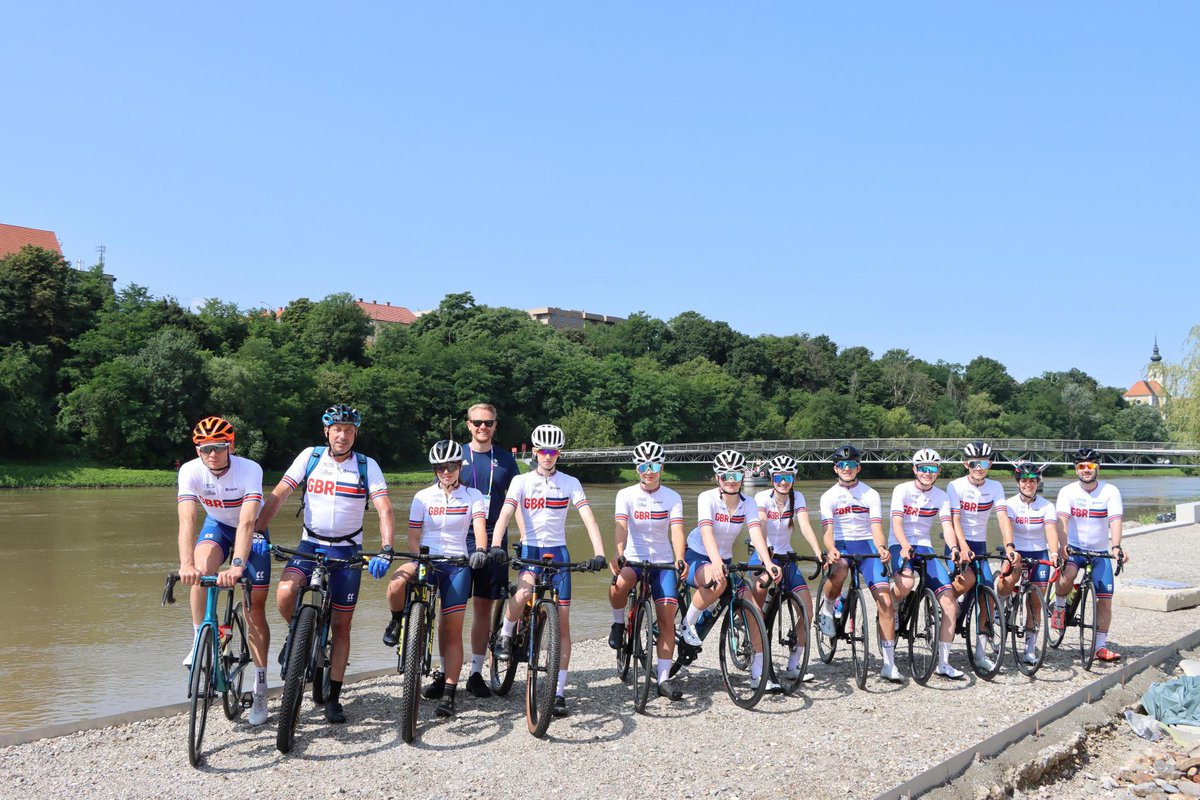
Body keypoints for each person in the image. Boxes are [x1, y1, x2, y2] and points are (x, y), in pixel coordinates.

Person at [254, 404, 395, 724]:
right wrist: (259, 529)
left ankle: (334, 696)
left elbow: (384, 507)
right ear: (326, 432)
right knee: (286, 592)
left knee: (342, 626)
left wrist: (386, 548)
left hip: (347, 552)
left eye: (348, 430)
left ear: (355, 433)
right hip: (310, 545)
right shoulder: (310, 457)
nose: (342, 435)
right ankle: (298, 634)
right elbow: (279, 494)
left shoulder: (366, 465)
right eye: (336, 429)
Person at [490, 423, 607, 716]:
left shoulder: (570, 483)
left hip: (559, 554)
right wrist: (494, 544)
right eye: (542, 451)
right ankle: (505, 634)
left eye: (553, 451)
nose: (547, 456)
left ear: (559, 453)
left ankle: (557, 692)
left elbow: (588, 518)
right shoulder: (521, 481)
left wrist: (599, 553)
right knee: (524, 591)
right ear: (535, 451)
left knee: (563, 625)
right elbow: (505, 512)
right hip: (531, 551)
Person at [176, 416, 272, 725]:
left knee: (254, 609)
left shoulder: (249, 469)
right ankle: (198, 639)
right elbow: (187, 521)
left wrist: (238, 565)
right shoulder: (190, 471)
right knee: (201, 571)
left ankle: (259, 688)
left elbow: (246, 522)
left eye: (218, 448)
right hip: (216, 525)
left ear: (230, 446)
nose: (211, 455)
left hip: (250, 530)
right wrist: (186, 564)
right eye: (204, 449)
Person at [383, 440, 487, 717]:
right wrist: (419, 558)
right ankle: (396, 621)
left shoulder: (473, 496)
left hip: (457, 564)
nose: (446, 472)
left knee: (451, 630)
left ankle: (450, 691)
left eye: (451, 466)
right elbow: (414, 537)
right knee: (395, 583)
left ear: (459, 467)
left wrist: (479, 550)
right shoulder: (422, 497)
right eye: (440, 467)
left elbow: (479, 529)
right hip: (427, 560)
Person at [678, 449, 781, 690]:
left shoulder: (749, 503)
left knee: (754, 611)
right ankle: (686, 623)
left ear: (742, 476)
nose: (732, 479)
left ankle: (758, 675)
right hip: (697, 554)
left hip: (722, 561)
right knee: (718, 582)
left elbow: (756, 533)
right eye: (726, 475)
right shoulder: (708, 498)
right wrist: (715, 563)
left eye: (736, 474)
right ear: (718, 478)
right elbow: (705, 531)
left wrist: (768, 564)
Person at [447, 401, 521, 700]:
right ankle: (445, 672)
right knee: (451, 608)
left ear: (495, 426)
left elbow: (518, 503)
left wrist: (523, 538)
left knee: (482, 606)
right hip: (457, 535)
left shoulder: (505, 459)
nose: (482, 427)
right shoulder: (454, 455)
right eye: (477, 422)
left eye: (488, 423)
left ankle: (475, 672)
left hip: (494, 537)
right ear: (468, 424)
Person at [607, 441, 687, 701]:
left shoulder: (673, 497)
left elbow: (676, 530)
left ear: (661, 467)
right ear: (637, 468)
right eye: (644, 466)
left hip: (663, 561)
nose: (649, 471)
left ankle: (663, 679)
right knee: (619, 584)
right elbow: (621, 525)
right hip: (635, 558)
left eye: (653, 466)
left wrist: (680, 558)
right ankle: (619, 623)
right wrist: (619, 552)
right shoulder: (626, 495)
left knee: (667, 618)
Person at [816, 444, 901, 683]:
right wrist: (831, 550)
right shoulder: (828, 496)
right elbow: (828, 531)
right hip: (841, 544)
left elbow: (876, 528)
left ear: (858, 468)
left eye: (851, 464)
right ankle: (828, 607)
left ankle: (888, 663)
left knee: (885, 602)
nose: (847, 469)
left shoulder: (870, 494)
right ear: (835, 468)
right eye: (842, 465)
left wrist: (882, 548)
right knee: (839, 568)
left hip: (867, 545)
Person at [749, 454, 823, 683]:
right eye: (779, 477)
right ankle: (752, 632)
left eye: (788, 477)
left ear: (793, 478)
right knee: (759, 594)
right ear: (772, 477)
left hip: (786, 558)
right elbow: (759, 524)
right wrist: (766, 557)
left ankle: (793, 665)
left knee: (807, 610)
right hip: (763, 555)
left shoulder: (797, 497)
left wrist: (819, 551)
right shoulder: (761, 497)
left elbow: (804, 525)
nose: (783, 482)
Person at [888, 448, 961, 680]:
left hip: (925, 546)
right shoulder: (902, 490)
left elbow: (947, 527)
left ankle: (943, 663)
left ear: (938, 471)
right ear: (915, 470)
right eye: (923, 468)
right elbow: (896, 523)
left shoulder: (941, 496)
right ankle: (896, 604)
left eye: (932, 469)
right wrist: (904, 545)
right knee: (906, 583)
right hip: (899, 543)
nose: (927, 473)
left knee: (949, 602)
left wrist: (955, 548)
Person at [1053, 447, 1128, 662]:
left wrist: (1117, 547)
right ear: (1076, 469)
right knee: (1067, 576)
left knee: (1105, 600)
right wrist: (1063, 545)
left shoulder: (1110, 491)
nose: (1086, 470)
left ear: (1098, 467)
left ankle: (1100, 647)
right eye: (1082, 466)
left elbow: (1115, 520)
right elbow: (1063, 521)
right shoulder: (1067, 491)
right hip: (1075, 548)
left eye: (1091, 465)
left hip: (1099, 551)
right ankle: (1059, 606)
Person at [945, 440, 1012, 673]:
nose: (979, 467)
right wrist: (962, 547)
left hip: (980, 545)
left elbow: (1003, 518)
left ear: (989, 463)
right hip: (957, 541)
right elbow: (954, 520)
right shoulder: (955, 486)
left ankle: (981, 653)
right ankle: (944, 605)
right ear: (967, 464)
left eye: (983, 463)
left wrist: (1009, 545)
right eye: (974, 463)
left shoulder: (995, 487)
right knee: (966, 581)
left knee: (988, 594)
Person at [998, 461, 1062, 666]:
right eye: (1024, 480)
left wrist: (1053, 553)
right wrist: (1010, 549)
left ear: (1038, 482)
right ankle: (999, 603)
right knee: (1006, 581)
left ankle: (1030, 647)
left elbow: (1051, 530)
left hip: (1038, 551)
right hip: (1017, 550)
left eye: (1033, 480)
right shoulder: (1009, 504)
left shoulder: (1046, 505)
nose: (1028, 484)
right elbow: (1006, 528)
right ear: (1018, 482)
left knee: (1036, 602)